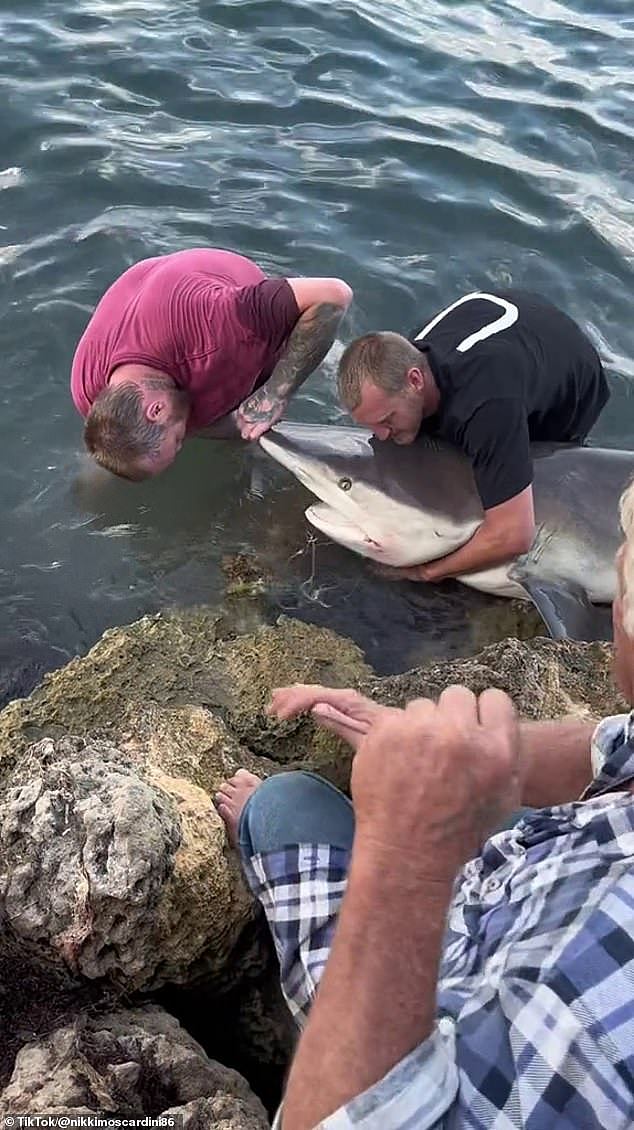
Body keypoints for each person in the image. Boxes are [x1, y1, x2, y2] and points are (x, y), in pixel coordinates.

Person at [214, 478, 634, 1129]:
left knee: (282, 804)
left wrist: (405, 855)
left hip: (442, 1028)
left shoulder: (581, 1007)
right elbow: (609, 749)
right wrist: (453, 757)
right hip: (541, 879)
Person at [337, 290, 609, 582]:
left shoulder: (486, 406)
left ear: (415, 380)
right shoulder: (405, 360)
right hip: (513, 325)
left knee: (537, 480)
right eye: (370, 425)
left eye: (387, 419)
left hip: (570, 373)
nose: (380, 435)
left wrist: (426, 572)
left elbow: (515, 537)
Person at [71, 248, 352, 479]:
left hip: (216, 287)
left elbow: (333, 295)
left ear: (156, 409)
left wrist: (276, 394)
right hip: (149, 284)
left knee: (259, 410)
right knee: (232, 432)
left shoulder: (218, 322)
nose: (182, 445)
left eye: (179, 442)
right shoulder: (86, 391)